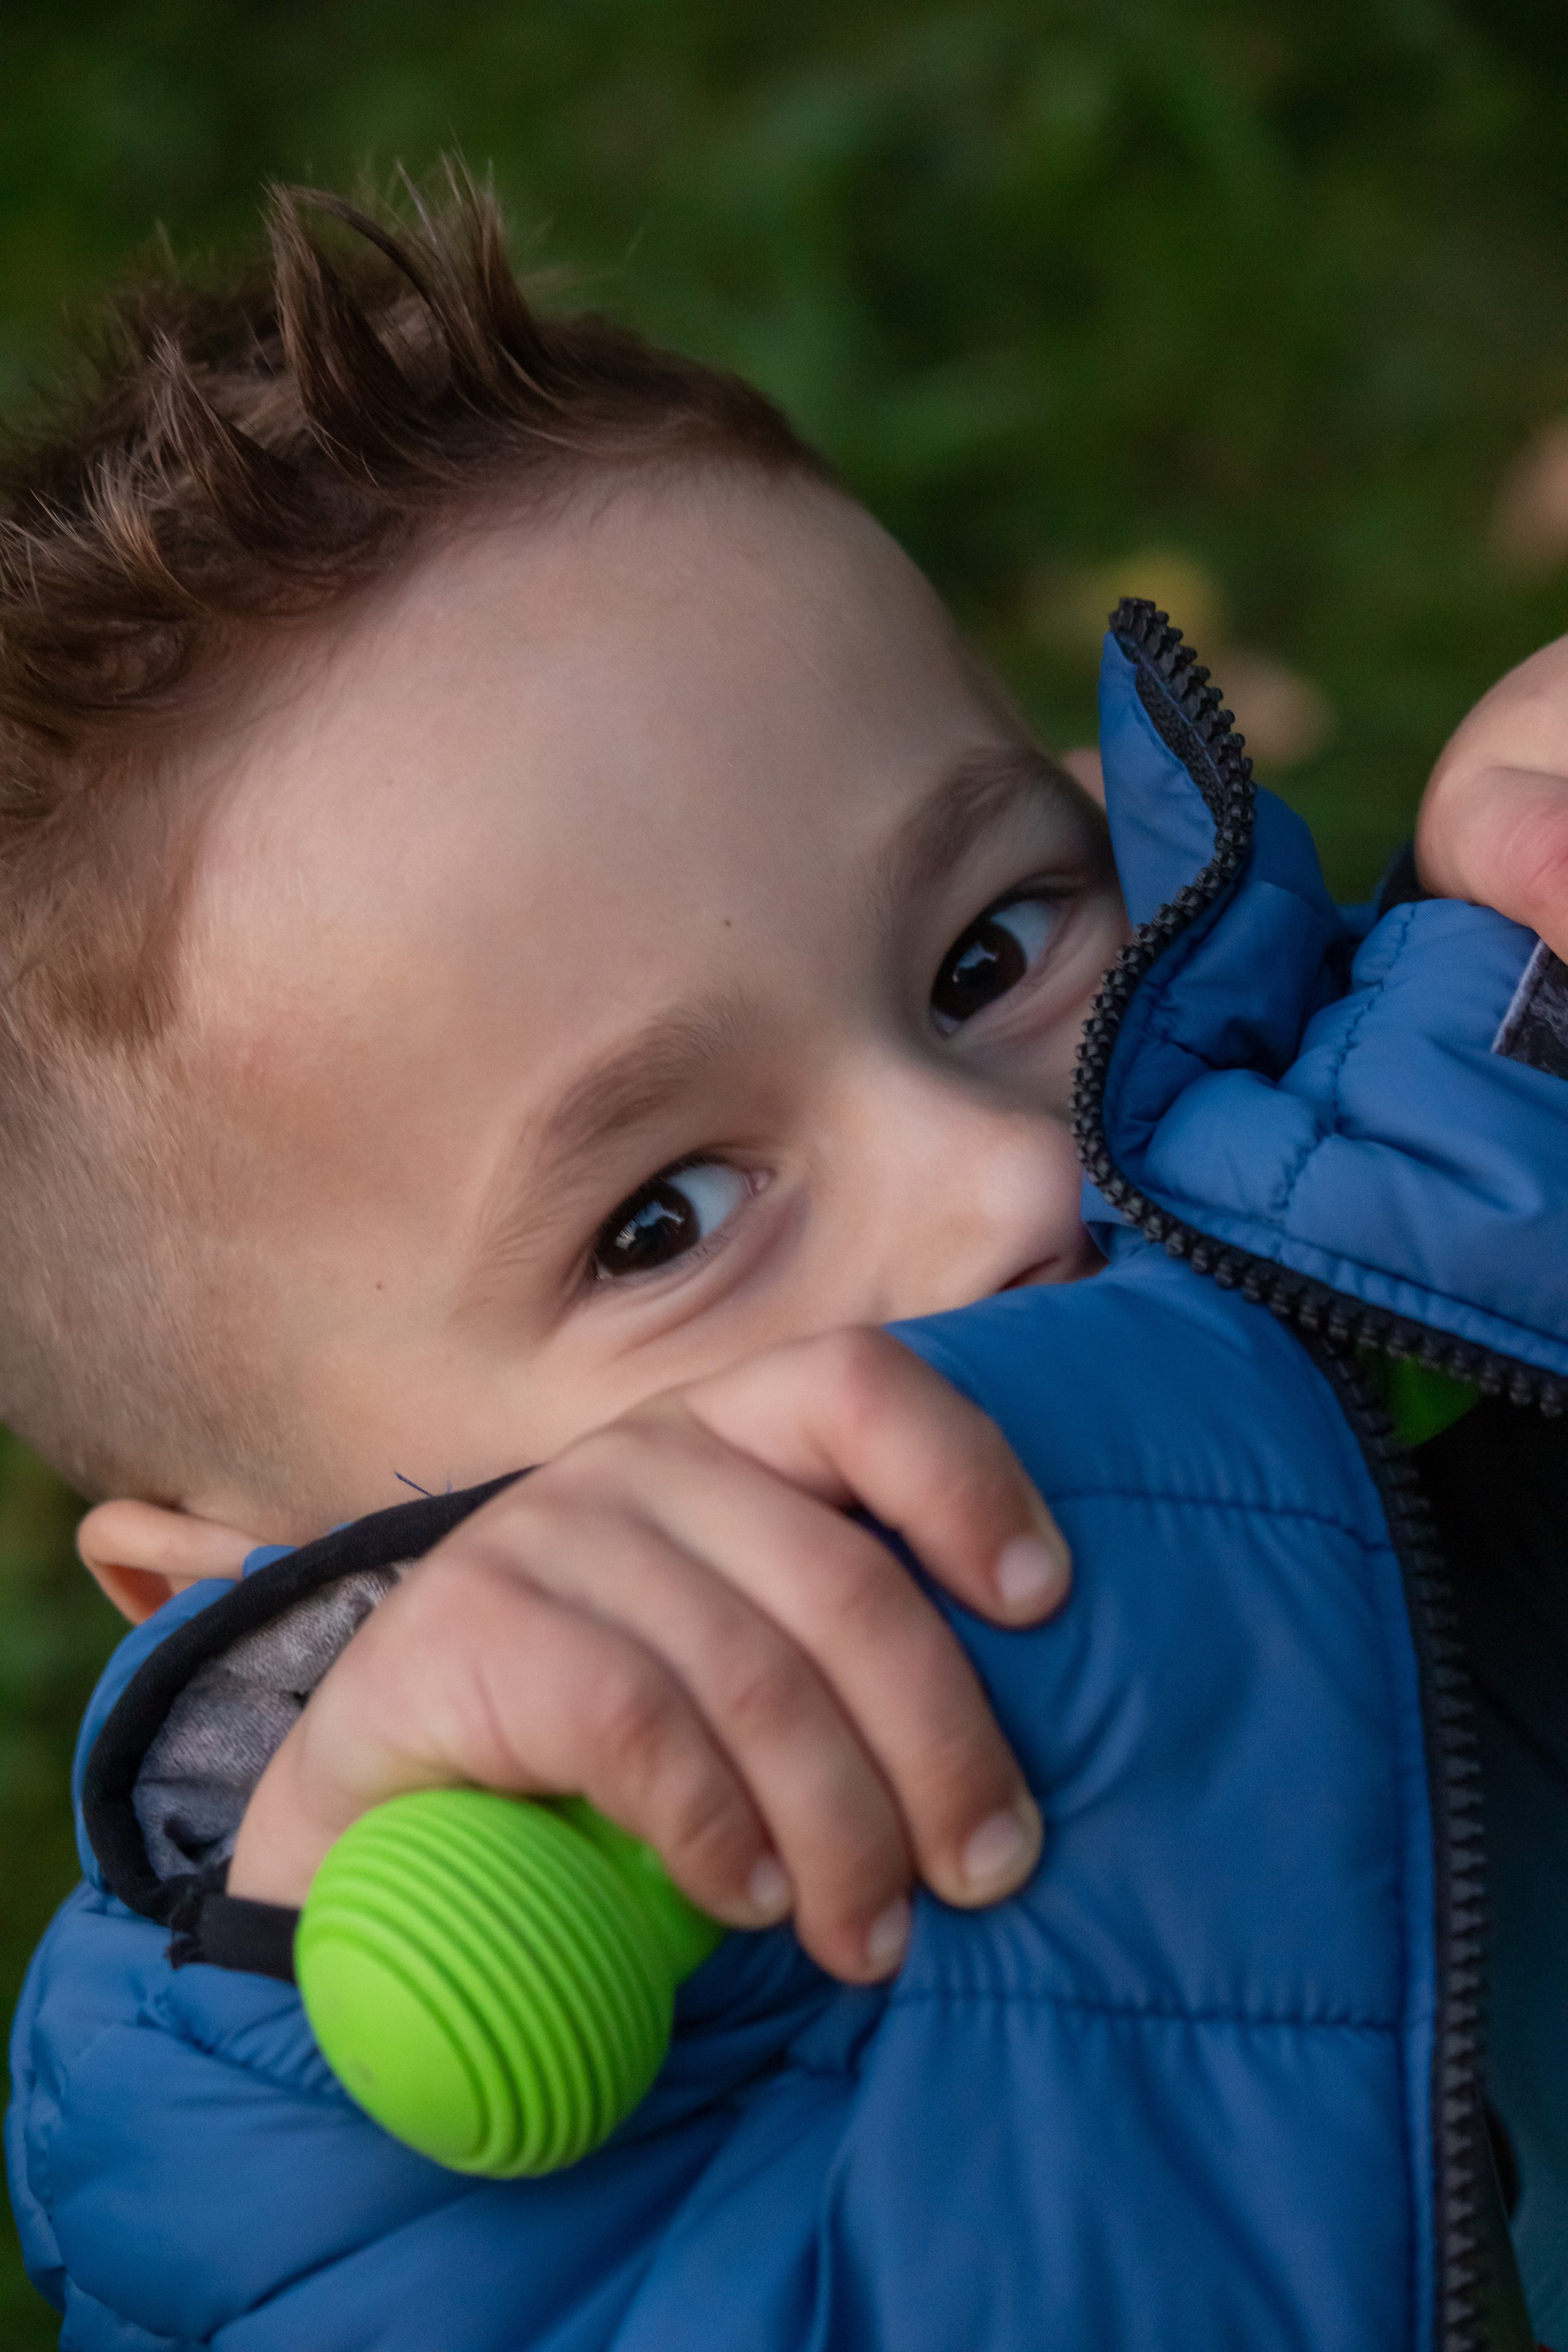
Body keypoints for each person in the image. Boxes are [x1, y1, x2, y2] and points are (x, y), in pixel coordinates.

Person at [4, 176, 1566, 2348]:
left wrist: (1507, 1062)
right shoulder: (386, 2207)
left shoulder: (1458, 1255)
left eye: (989, 951)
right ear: (261, 1621)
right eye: (659, 1221)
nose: (995, 1190)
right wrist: (343, 1975)